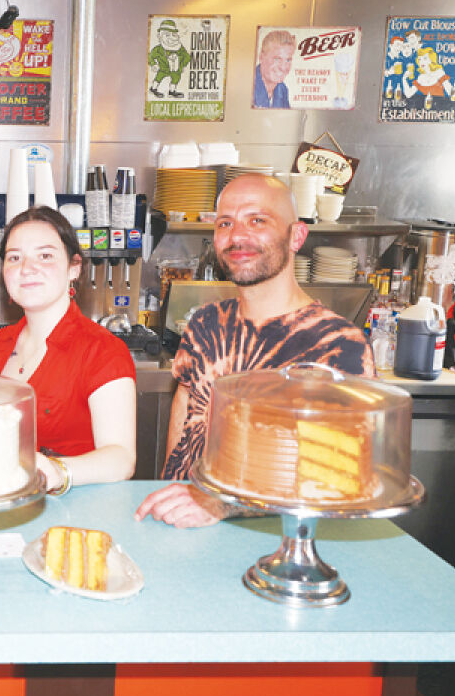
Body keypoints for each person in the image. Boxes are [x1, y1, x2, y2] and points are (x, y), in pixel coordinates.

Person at [134, 174, 375, 528]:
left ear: (297, 236)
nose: (237, 236)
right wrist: (172, 488)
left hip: (275, 537)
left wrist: (222, 506)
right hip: (185, 523)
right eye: (225, 223)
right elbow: (186, 412)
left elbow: (339, 476)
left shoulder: (338, 345)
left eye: (257, 220)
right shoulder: (204, 323)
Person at [0, 206, 137, 494]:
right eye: (14, 257)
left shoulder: (103, 350)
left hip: (77, 507)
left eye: (45, 256)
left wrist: (59, 471)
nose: (26, 268)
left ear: (74, 268)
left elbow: (121, 458)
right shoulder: (1, 343)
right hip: (10, 500)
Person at [147, 18, 190, 99]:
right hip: (163, 68)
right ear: (160, 36)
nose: (171, 38)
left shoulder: (179, 48)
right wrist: (153, 64)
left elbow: (187, 56)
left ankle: (172, 91)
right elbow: (150, 56)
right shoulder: (158, 49)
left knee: (176, 78)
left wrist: (183, 65)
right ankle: (153, 89)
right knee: (159, 77)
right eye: (167, 35)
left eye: (174, 35)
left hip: (176, 69)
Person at [252, 30, 296, 109]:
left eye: (288, 60)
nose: (283, 67)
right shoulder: (249, 86)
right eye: (277, 59)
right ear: (261, 57)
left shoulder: (282, 89)